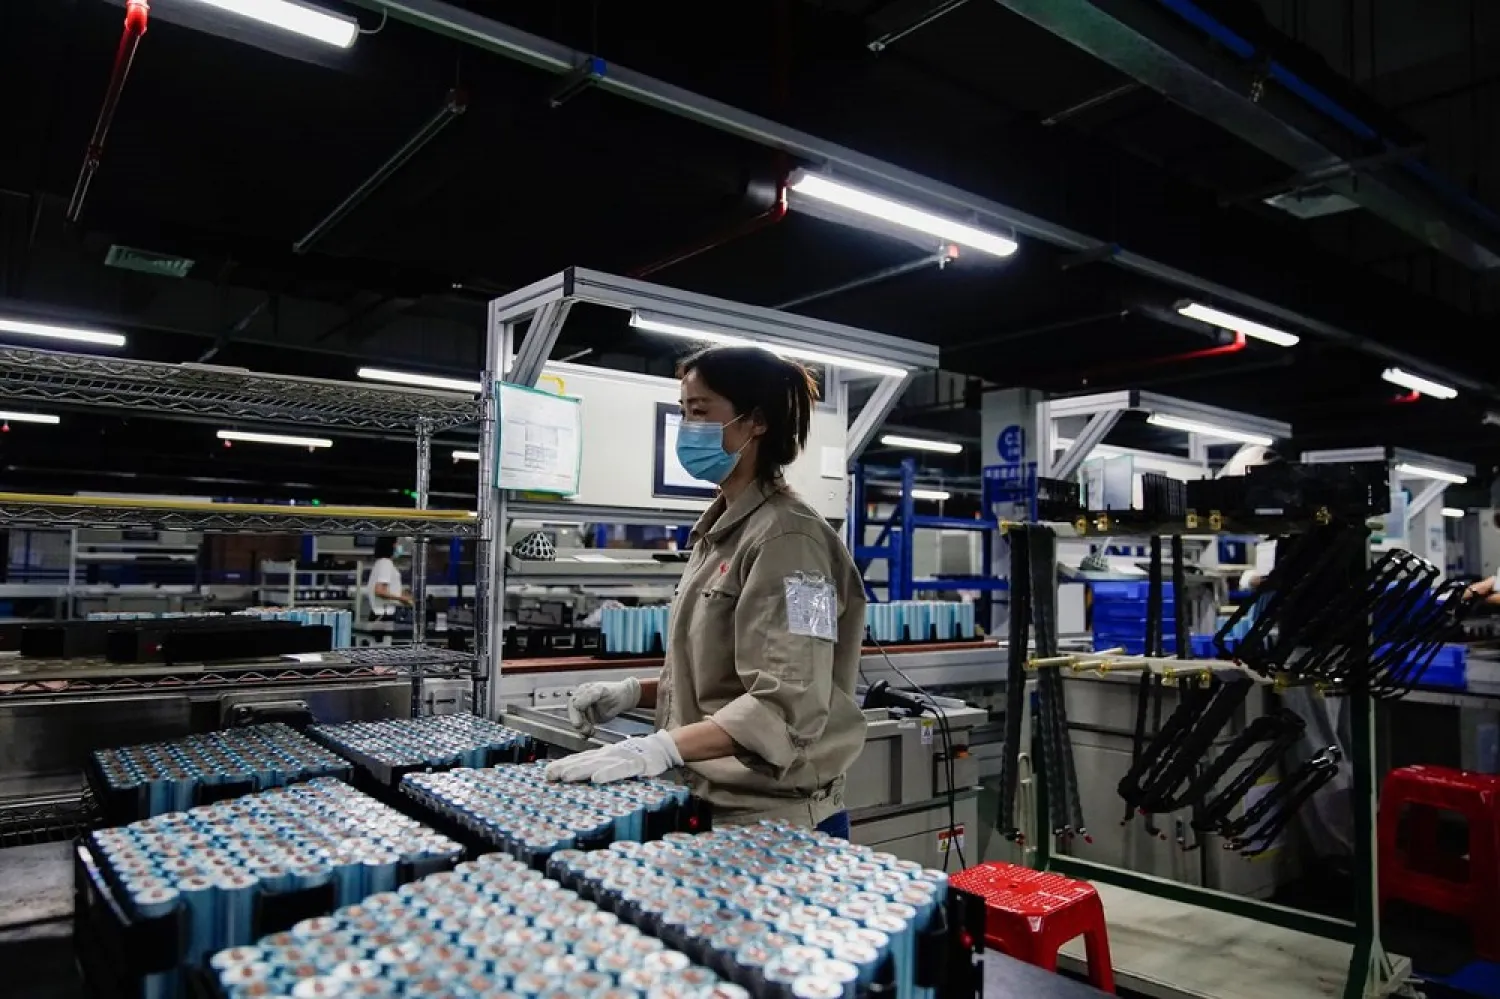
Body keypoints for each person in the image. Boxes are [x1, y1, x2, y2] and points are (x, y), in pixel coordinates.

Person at [546, 346, 868, 837]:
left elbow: (787, 703)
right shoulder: (721, 533)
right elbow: (721, 683)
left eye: (699, 411)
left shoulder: (789, 542)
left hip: (778, 823)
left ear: (756, 422)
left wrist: (660, 748)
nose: (686, 427)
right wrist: (634, 693)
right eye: (683, 411)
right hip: (716, 807)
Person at [365, 537, 412, 618]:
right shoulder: (385, 563)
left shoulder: (381, 562)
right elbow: (379, 591)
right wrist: (403, 598)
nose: (398, 546)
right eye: (396, 544)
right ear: (391, 546)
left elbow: (384, 589)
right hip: (384, 614)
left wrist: (401, 593)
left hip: (381, 613)